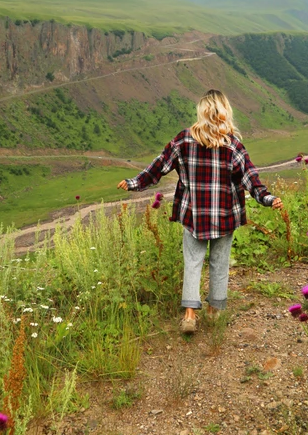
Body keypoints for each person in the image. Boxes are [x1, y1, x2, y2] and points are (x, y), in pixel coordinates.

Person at [117, 89, 282, 333]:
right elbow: (251, 179)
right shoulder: (233, 145)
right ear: (225, 112)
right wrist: (268, 198)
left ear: (201, 112)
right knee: (219, 262)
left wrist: (134, 183)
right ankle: (215, 312)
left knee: (192, 262)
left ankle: (189, 316)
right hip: (225, 216)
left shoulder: (183, 140)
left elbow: (158, 167)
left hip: (193, 215)